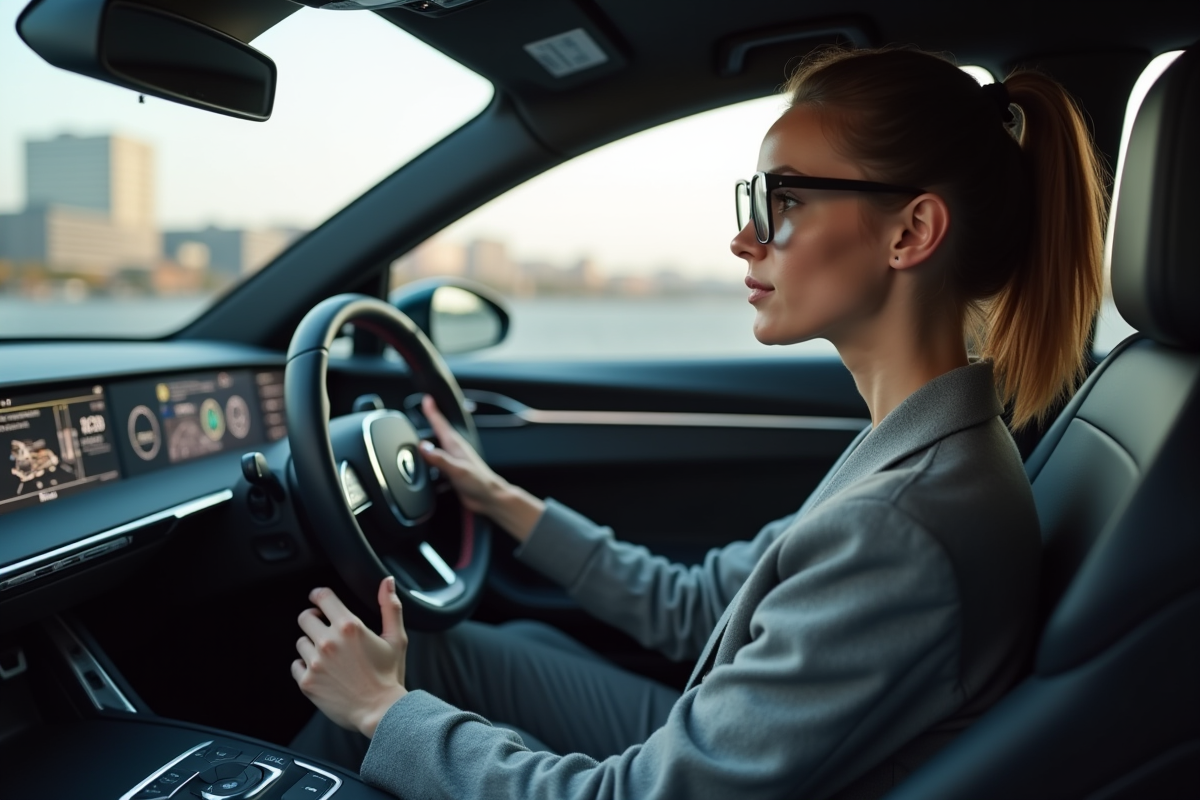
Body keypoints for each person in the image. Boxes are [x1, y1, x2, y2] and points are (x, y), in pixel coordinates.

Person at [288, 46, 1106, 800]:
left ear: (911, 231)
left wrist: (379, 713)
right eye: (754, 199)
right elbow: (696, 605)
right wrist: (502, 498)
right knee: (449, 653)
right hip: (722, 738)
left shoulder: (902, 527)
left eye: (783, 199)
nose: (744, 239)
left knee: (396, 689)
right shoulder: (915, 450)